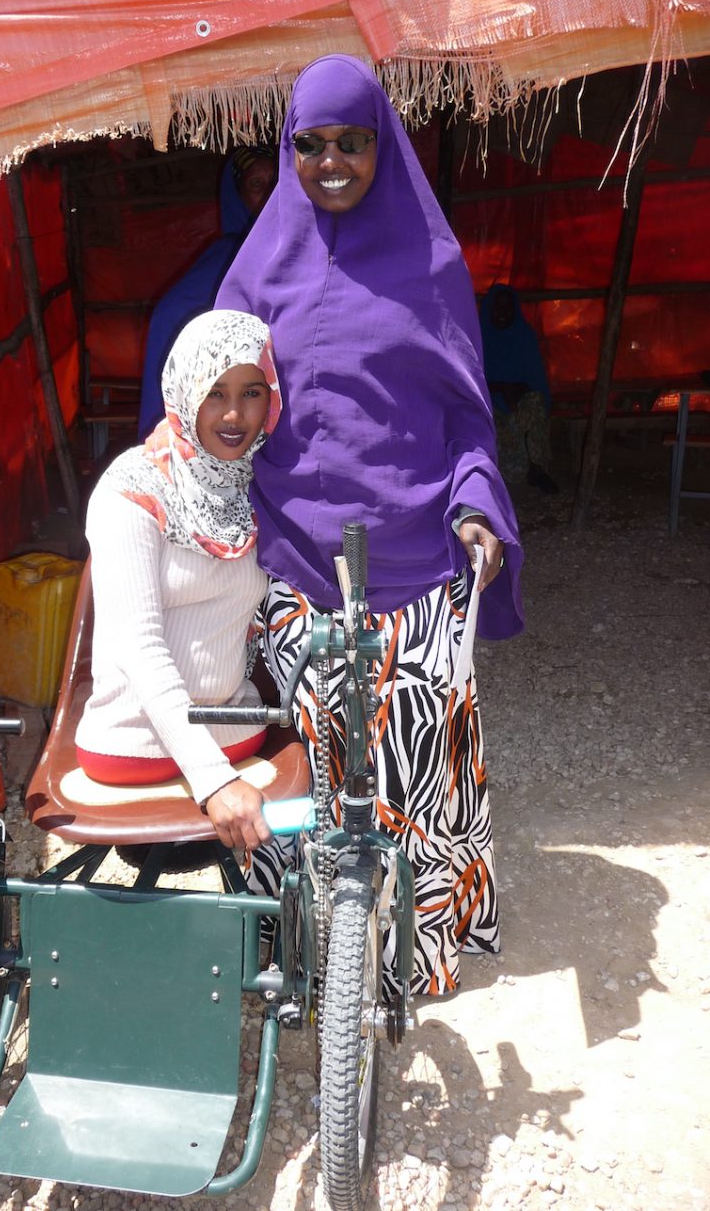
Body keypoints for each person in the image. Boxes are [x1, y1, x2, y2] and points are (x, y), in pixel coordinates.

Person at [216, 53, 525, 999]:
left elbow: (468, 415)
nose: (334, 160)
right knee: (308, 760)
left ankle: (413, 949)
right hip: (295, 554)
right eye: (312, 144)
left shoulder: (431, 266)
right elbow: (213, 397)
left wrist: (475, 504)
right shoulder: (257, 267)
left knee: (414, 752)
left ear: (383, 145)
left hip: (413, 557)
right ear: (289, 150)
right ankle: (312, 950)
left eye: (354, 141)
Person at [76, 309, 282, 850]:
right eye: (214, 392)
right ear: (182, 388)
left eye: (252, 392)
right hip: (134, 747)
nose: (234, 414)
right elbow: (140, 649)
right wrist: (213, 779)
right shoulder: (131, 489)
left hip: (236, 728)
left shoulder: (258, 483)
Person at [137, 148, 277, 439]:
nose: (267, 196)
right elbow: (169, 317)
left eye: (276, 183)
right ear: (237, 195)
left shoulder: (306, 251)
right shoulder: (226, 257)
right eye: (255, 185)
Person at [479, 283, 559, 493]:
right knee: (510, 468)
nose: (503, 313)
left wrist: (517, 390)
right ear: (489, 310)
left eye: (508, 308)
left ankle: (537, 467)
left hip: (519, 406)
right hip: (490, 406)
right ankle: (513, 469)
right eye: (498, 308)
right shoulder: (478, 339)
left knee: (536, 402)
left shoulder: (524, 337)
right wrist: (501, 388)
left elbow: (536, 380)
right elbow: (470, 381)